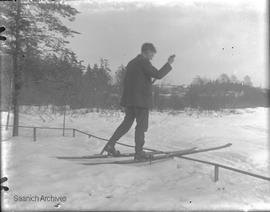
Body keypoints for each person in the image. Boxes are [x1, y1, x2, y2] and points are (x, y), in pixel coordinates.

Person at [101, 43, 175, 160]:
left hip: (130, 101)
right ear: (146, 51)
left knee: (126, 125)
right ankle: (139, 153)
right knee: (141, 126)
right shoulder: (144, 62)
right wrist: (169, 63)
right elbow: (158, 74)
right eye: (152, 54)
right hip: (141, 101)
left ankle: (110, 145)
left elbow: (131, 82)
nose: (152, 57)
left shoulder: (132, 63)